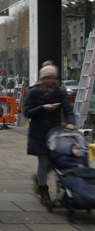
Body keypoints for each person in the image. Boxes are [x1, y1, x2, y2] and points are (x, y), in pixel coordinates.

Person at [23, 64, 75, 205]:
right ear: (42, 78)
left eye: (52, 78)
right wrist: (42, 108)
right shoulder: (33, 92)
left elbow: (67, 109)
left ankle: (40, 178)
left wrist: (71, 122)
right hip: (38, 132)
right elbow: (27, 111)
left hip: (55, 133)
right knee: (44, 161)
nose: (50, 80)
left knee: (56, 161)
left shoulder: (59, 92)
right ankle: (43, 190)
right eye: (47, 78)